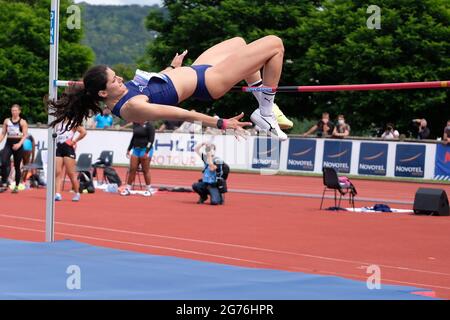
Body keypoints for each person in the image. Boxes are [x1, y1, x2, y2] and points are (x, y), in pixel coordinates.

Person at [48, 36, 288, 140]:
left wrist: (171, 68)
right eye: (114, 80)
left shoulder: (124, 92)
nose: (120, 78)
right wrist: (220, 123)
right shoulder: (132, 107)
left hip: (198, 68)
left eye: (116, 75)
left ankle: (265, 106)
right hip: (210, 81)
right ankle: (266, 112)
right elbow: (181, 113)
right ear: (103, 93)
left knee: (239, 43)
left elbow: (154, 84)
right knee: (275, 45)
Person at [54, 120, 87, 201]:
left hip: (68, 149)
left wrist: (74, 141)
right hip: (59, 149)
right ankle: (57, 194)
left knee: (71, 173)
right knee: (57, 172)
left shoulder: (73, 123)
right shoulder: (58, 124)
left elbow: (83, 132)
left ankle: (77, 193)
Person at [121, 121, 155, 196]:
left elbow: (151, 140)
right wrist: (129, 149)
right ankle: (127, 189)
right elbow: (133, 138)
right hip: (136, 150)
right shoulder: (135, 124)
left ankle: (149, 189)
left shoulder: (150, 126)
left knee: (145, 170)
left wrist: (146, 152)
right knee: (132, 169)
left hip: (145, 149)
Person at [0, 104, 28, 193]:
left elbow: (25, 135)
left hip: (18, 144)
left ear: (19, 111)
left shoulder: (22, 122)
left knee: (17, 166)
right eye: (13, 110)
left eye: (16, 110)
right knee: (4, 161)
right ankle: (4, 183)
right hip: (9, 143)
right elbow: (3, 133)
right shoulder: (7, 121)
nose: (14, 112)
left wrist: (19, 144)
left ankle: (16, 186)